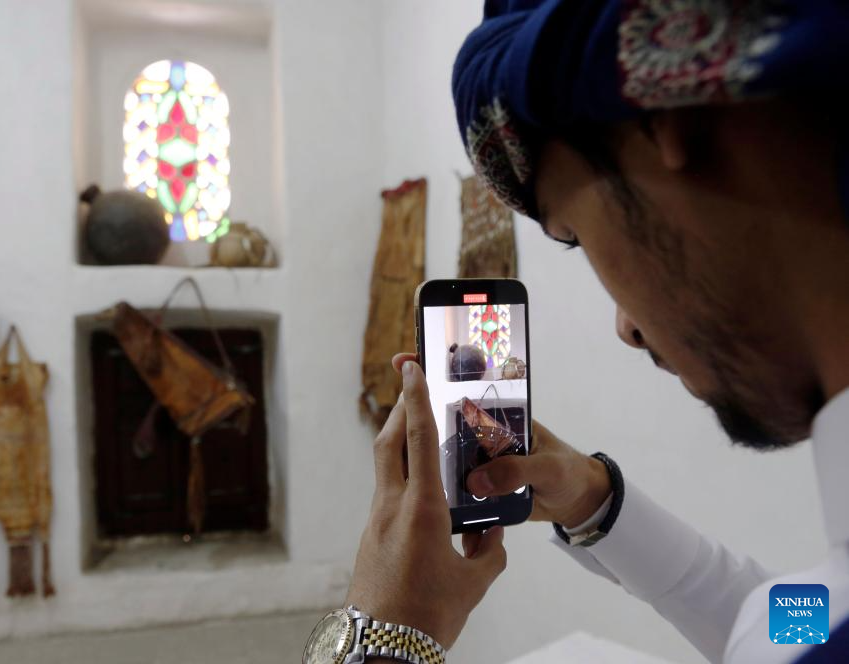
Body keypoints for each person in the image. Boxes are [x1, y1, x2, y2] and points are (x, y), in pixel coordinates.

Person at [302, 1, 849, 663]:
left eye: (575, 236)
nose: (626, 327)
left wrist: (380, 637)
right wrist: (597, 503)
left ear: (663, 117)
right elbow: (772, 622)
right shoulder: (818, 614)